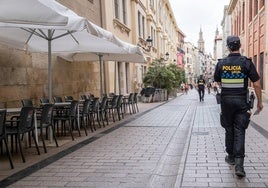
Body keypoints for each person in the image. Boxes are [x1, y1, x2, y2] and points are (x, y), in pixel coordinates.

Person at [214, 35, 263, 177]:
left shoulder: (221, 63)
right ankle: (239, 166)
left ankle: (230, 157)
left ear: (228, 47)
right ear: (240, 45)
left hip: (226, 102)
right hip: (242, 102)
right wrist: (260, 102)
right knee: (240, 130)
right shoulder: (246, 62)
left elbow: (218, 81)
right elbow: (257, 83)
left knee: (229, 129)